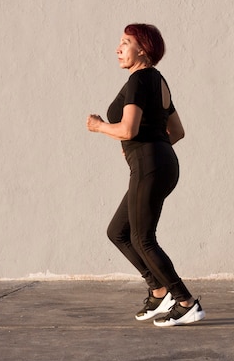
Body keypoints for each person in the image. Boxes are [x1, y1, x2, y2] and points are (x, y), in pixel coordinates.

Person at [86, 23, 205, 327]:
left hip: (149, 166)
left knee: (142, 237)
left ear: (142, 49)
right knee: (118, 231)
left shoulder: (139, 80)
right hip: (161, 163)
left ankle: (185, 300)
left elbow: (128, 130)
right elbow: (177, 132)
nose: (118, 48)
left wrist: (100, 126)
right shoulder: (158, 81)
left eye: (125, 42)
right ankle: (158, 290)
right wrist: (154, 147)